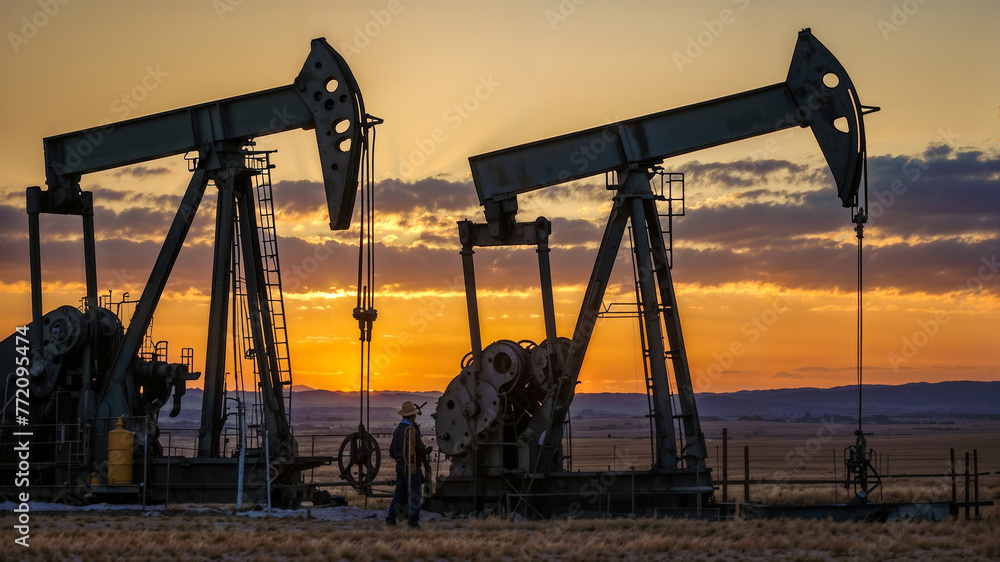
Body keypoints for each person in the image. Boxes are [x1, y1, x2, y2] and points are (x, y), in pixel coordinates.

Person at [386, 400, 431, 528]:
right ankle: (413, 524)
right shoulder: (411, 430)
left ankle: (390, 521)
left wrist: (401, 460)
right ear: (412, 416)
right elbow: (419, 449)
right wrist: (426, 450)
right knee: (415, 496)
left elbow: (391, 452)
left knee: (398, 496)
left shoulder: (397, 430)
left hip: (400, 468)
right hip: (412, 468)